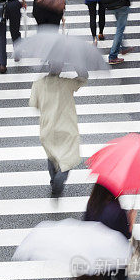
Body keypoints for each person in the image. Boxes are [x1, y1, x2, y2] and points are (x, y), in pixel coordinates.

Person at [29, 69, 87, 198]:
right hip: (67, 128)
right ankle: (58, 183)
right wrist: (80, 67)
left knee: (52, 156)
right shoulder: (67, 83)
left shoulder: (38, 84)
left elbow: (34, 104)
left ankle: (53, 181)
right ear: (60, 69)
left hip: (47, 128)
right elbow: (83, 79)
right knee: (67, 159)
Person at [84, 182, 134, 280]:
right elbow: (126, 235)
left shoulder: (91, 207)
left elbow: (85, 229)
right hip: (118, 257)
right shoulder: (118, 211)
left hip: (99, 257)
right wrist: (130, 221)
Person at [98, 0, 137, 65]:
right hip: (123, 4)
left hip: (112, 4)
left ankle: (123, 47)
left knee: (119, 27)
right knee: (120, 30)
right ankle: (113, 56)